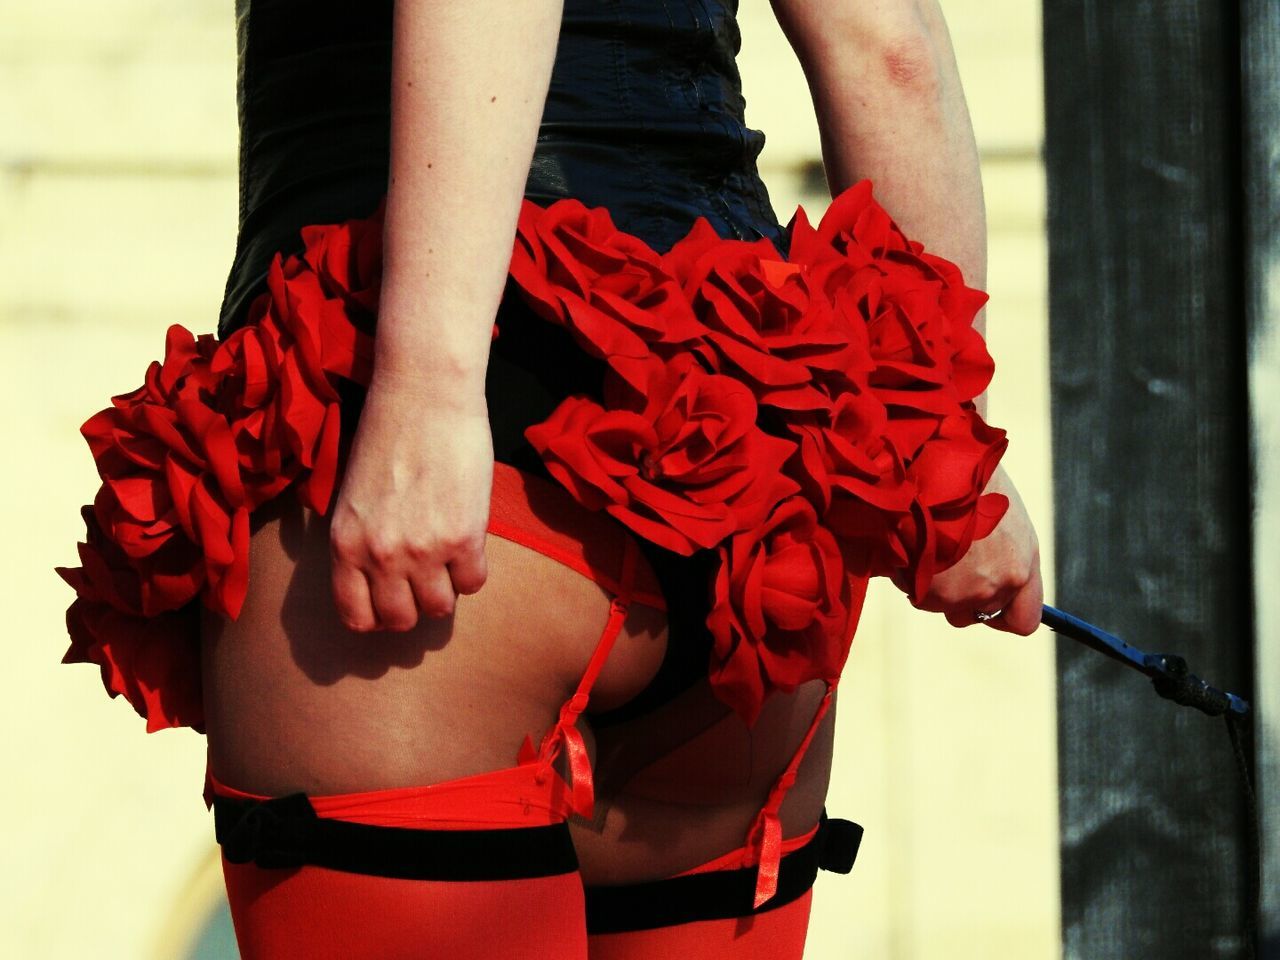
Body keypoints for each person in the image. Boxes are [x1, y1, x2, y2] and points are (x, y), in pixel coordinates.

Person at [62, 0, 1042, 956]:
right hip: (747, 484)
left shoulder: (427, 394)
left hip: (451, 449)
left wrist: (426, 382)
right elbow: (887, 40)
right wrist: (946, 448)